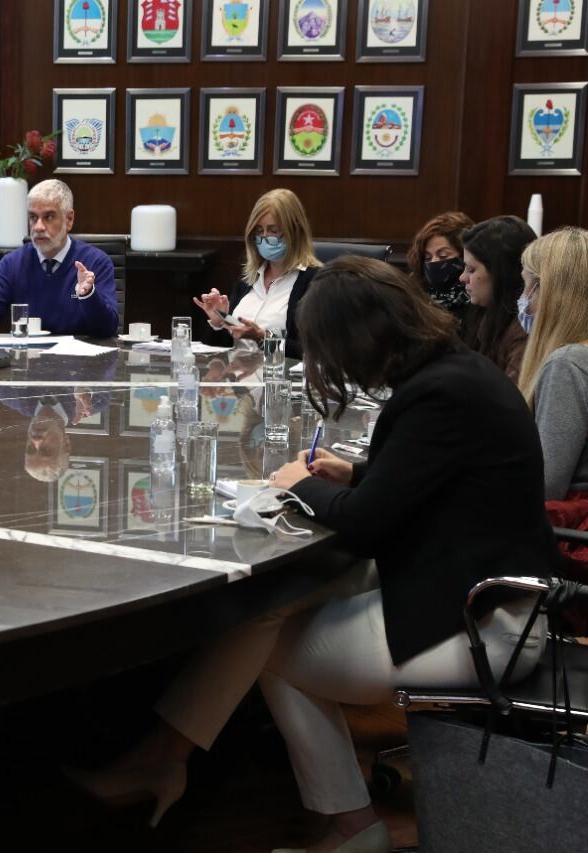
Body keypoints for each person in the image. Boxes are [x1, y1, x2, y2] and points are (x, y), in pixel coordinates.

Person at [69, 257, 558, 853]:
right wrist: (353, 471)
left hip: (485, 622)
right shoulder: (457, 374)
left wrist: (300, 482)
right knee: (268, 607)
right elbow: (434, 474)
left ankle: (352, 826)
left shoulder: (436, 395)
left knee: (270, 647)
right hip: (476, 591)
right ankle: (163, 757)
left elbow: (367, 525)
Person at [0, 179, 117, 338]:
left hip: (82, 360)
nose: (38, 227)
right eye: (33, 217)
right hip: (26, 358)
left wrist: (88, 295)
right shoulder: (12, 263)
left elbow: (107, 329)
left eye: (49, 217)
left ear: (69, 219)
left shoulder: (96, 262)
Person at [191, 188, 320, 360]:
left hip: (279, 383)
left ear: (295, 230)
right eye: (259, 231)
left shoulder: (316, 281)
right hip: (236, 382)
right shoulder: (248, 279)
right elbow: (218, 355)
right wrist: (221, 321)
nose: (264, 237)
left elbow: (315, 352)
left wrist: (261, 338)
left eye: (273, 230)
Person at [516, 227, 588, 502]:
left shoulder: (568, 363)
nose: (523, 300)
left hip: (567, 533)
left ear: (547, 289)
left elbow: (544, 486)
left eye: (526, 286)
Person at [459, 215, 535, 382]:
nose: (462, 277)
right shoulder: (481, 314)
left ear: (501, 274)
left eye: (472, 270)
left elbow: (511, 401)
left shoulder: (525, 329)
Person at [406, 211, 475, 320]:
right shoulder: (415, 294)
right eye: (428, 258)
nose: (434, 262)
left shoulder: (478, 298)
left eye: (443, 256)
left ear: (464, 255)